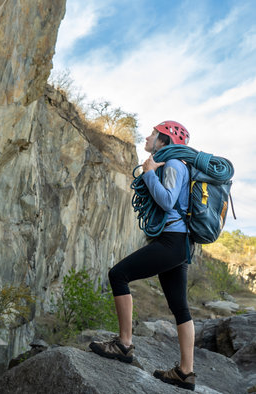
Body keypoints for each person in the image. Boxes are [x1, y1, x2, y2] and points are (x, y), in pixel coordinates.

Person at [89, 120, 196, 392]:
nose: (148, 137)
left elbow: (168, 201)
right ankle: (185, 373)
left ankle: (124, 344)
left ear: (165, 140)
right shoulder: (178, 165)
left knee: (118, 274)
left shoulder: (172, 165)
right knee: (180, 307)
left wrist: (149, 173)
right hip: (179, 243)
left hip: (171, 241)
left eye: (153, 134)